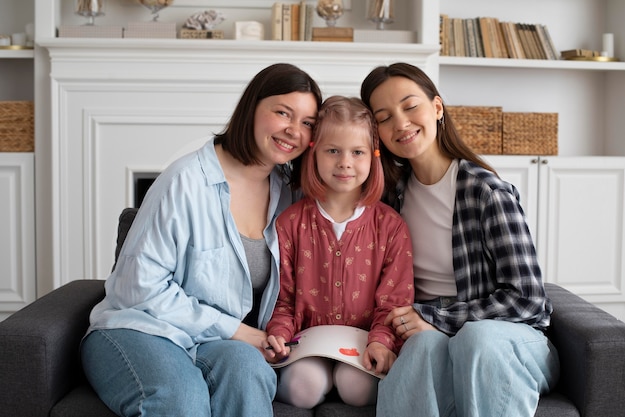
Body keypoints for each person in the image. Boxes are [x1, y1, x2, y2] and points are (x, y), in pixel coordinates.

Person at [80, 63, 322, 417]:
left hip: (214, 342)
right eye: (282, 112)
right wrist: (237, 330)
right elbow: (137, 289)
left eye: (307, 123)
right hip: (140, 329)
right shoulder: (184, 181)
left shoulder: (288, 194)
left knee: (248, 371)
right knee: (183, 398)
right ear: (252, 108)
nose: (293, 130)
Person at [359, 62, 560, 417]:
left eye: (410, 106)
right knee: (420, 347)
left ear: (437, 108)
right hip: (429, 332)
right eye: (384, 117)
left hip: (509, 341)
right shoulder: (390, 199)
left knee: (476, 338)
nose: (401, 123)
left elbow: (528, 301)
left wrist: (439, 316)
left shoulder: (486, 192)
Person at [265, 95, 415, 409]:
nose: (344, 162)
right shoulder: (290, 223)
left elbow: (394, 301)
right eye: (333, 151)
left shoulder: (390, 227)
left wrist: (381, 341)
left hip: (363, 347)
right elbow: (284, 299)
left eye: (357, 152)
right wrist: (278, 334)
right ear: (314, 152)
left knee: (357, 388)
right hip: (307, 345)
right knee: (303, 387)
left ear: (373, 156)